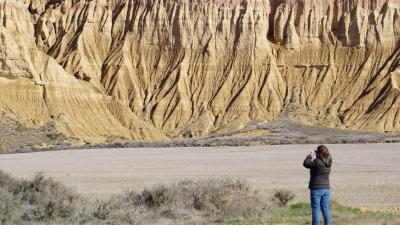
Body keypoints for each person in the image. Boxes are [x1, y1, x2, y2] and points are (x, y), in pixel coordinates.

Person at [303, 145, 333, 225]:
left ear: (319, 153)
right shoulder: (329, 163)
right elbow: (326, 157)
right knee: (325, 208)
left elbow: (306, 164)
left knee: (316, 209)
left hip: (316, 188)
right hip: (326, 188)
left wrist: (310, 155)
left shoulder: (317, 162)